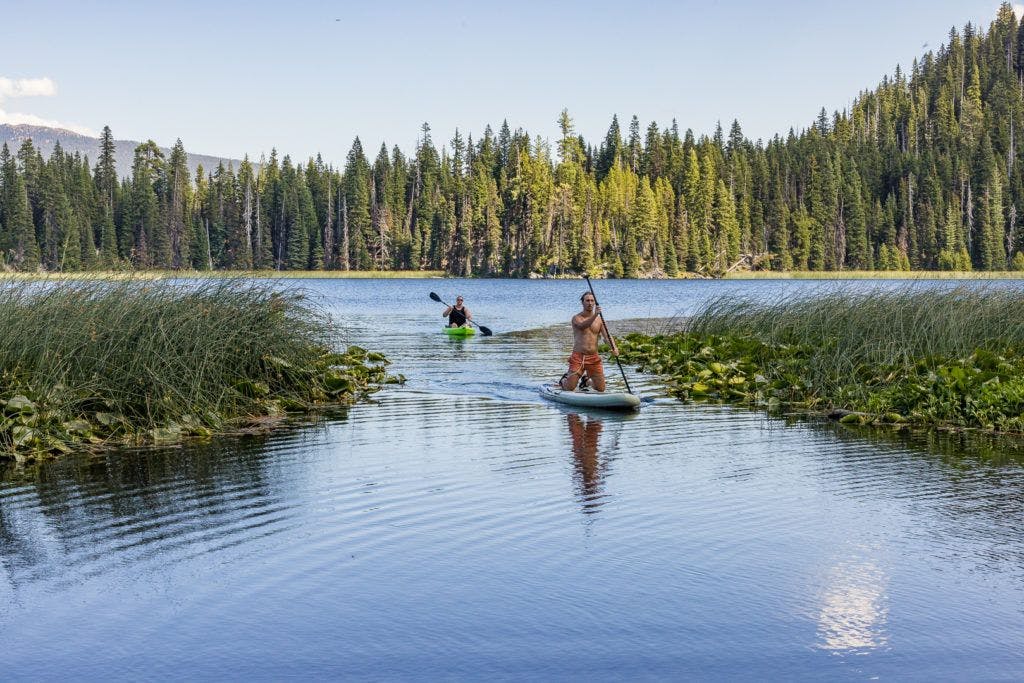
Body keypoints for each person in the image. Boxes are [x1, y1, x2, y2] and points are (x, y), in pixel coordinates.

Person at [559, 291, 619, 392]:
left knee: (601, 389)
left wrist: (614, 348)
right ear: (582, 303)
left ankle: (586, 381)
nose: (590, 303)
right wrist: (595, 315)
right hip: (578, 358)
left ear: (595, 303)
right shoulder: (576, 318)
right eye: (587, 300)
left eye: (592, 301)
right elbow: (583, 326)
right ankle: (564, 380)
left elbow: (607, 337)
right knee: (570, 388)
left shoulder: (599, 320)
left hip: (594, 358)